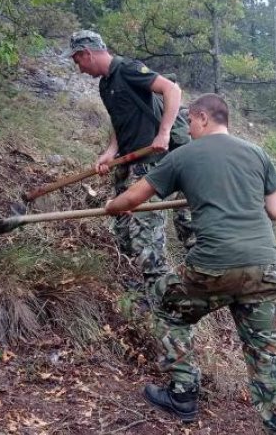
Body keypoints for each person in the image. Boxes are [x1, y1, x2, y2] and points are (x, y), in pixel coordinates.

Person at [106, 94, 276, 435]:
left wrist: (111, 206)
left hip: (213, 267)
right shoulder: (258, 154)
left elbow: (132, 198)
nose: (188, 130)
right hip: (265, 268)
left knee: (169, 308)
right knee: (267, 358)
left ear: (203, 118)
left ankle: (183, 394)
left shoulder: (184, 156)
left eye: (191, 122)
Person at [67, 30, 193, 287]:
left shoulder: (128, 69)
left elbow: (172, 89)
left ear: (87, 53)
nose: (79, 69)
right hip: (126, 164)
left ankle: (162, 301)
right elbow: (118, 119)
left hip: (149, 166)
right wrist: (110, 151)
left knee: (146, 240)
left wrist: (164, 132)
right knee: (125, 235)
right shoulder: (105, 84)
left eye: (78, 61)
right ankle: (134, 296)